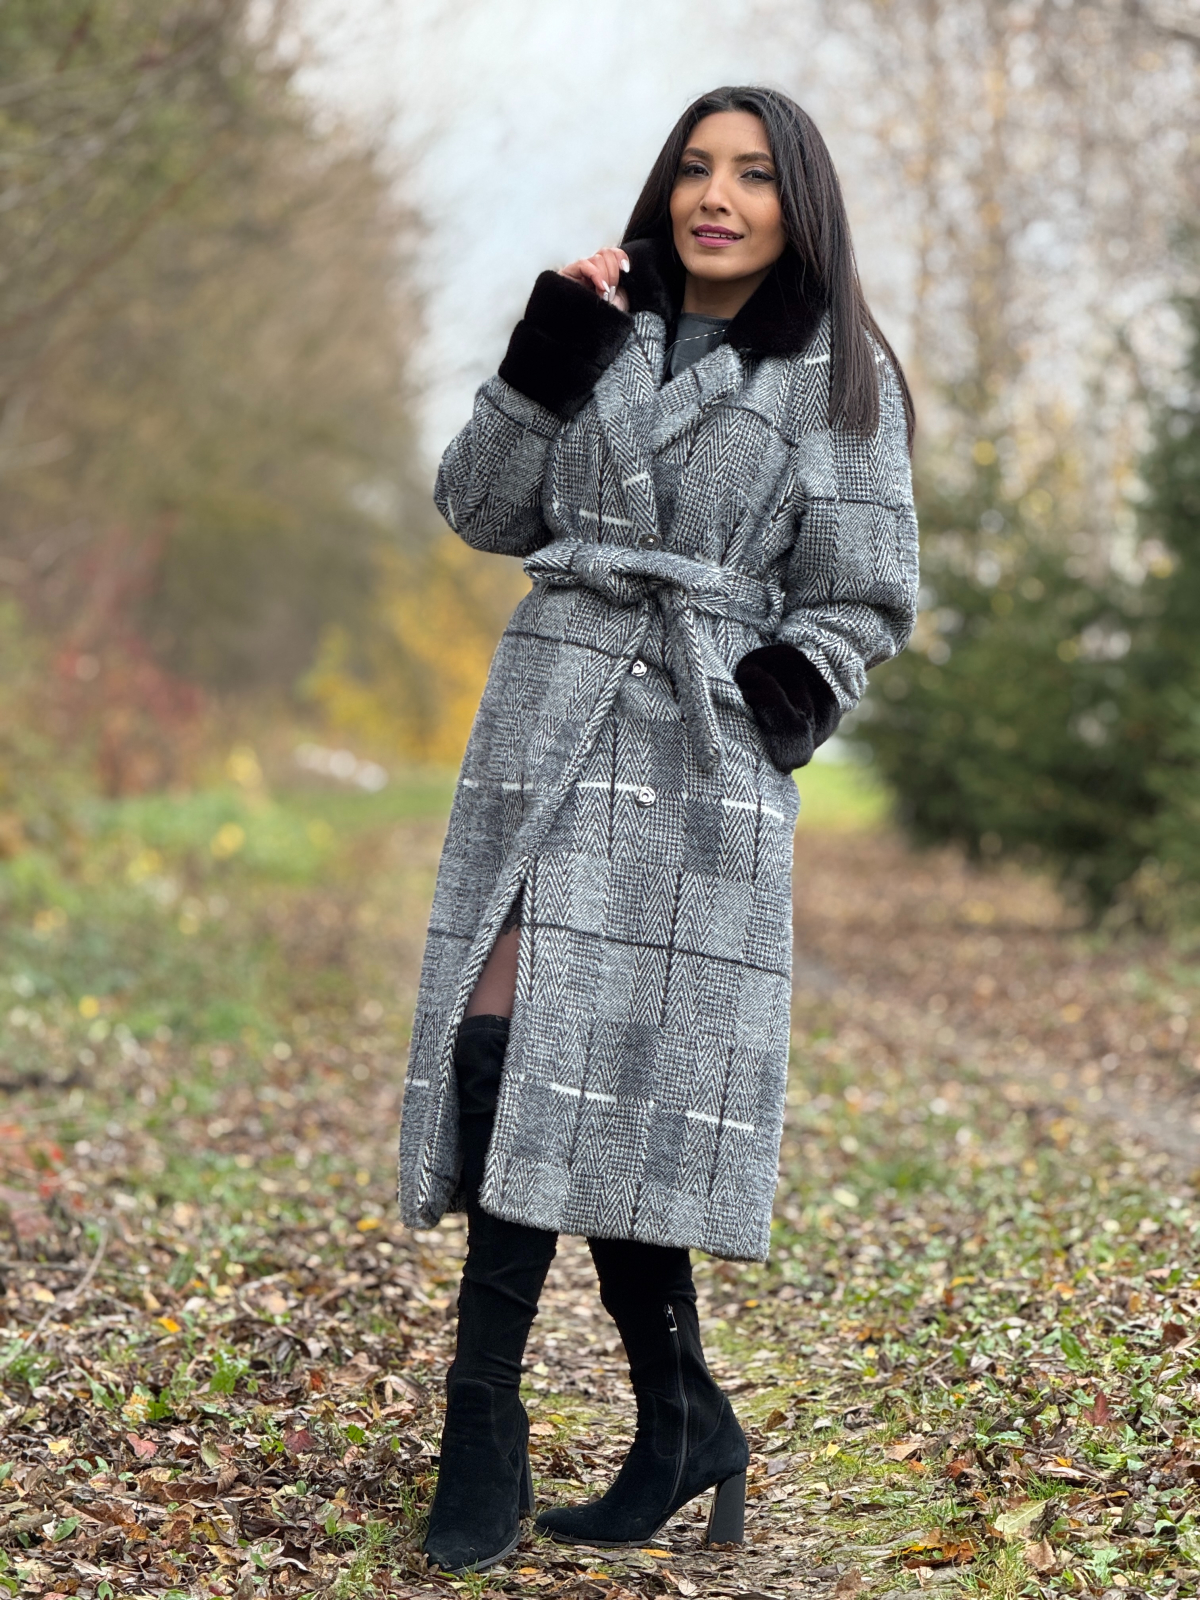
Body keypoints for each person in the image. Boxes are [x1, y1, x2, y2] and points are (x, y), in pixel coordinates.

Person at [398, 84, 918, 1575]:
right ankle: (491, 1423)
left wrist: (784, 695)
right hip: (551, 713)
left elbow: (867, 591)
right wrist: (544, 352)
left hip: (702, 751)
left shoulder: (836, 374)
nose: (716, 197)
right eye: (696, 168)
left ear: (796, 205)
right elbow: (479, 507)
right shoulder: (604, 324)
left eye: (753, 175)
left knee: (624, 1079)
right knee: (508, 1041)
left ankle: (674, 1423)